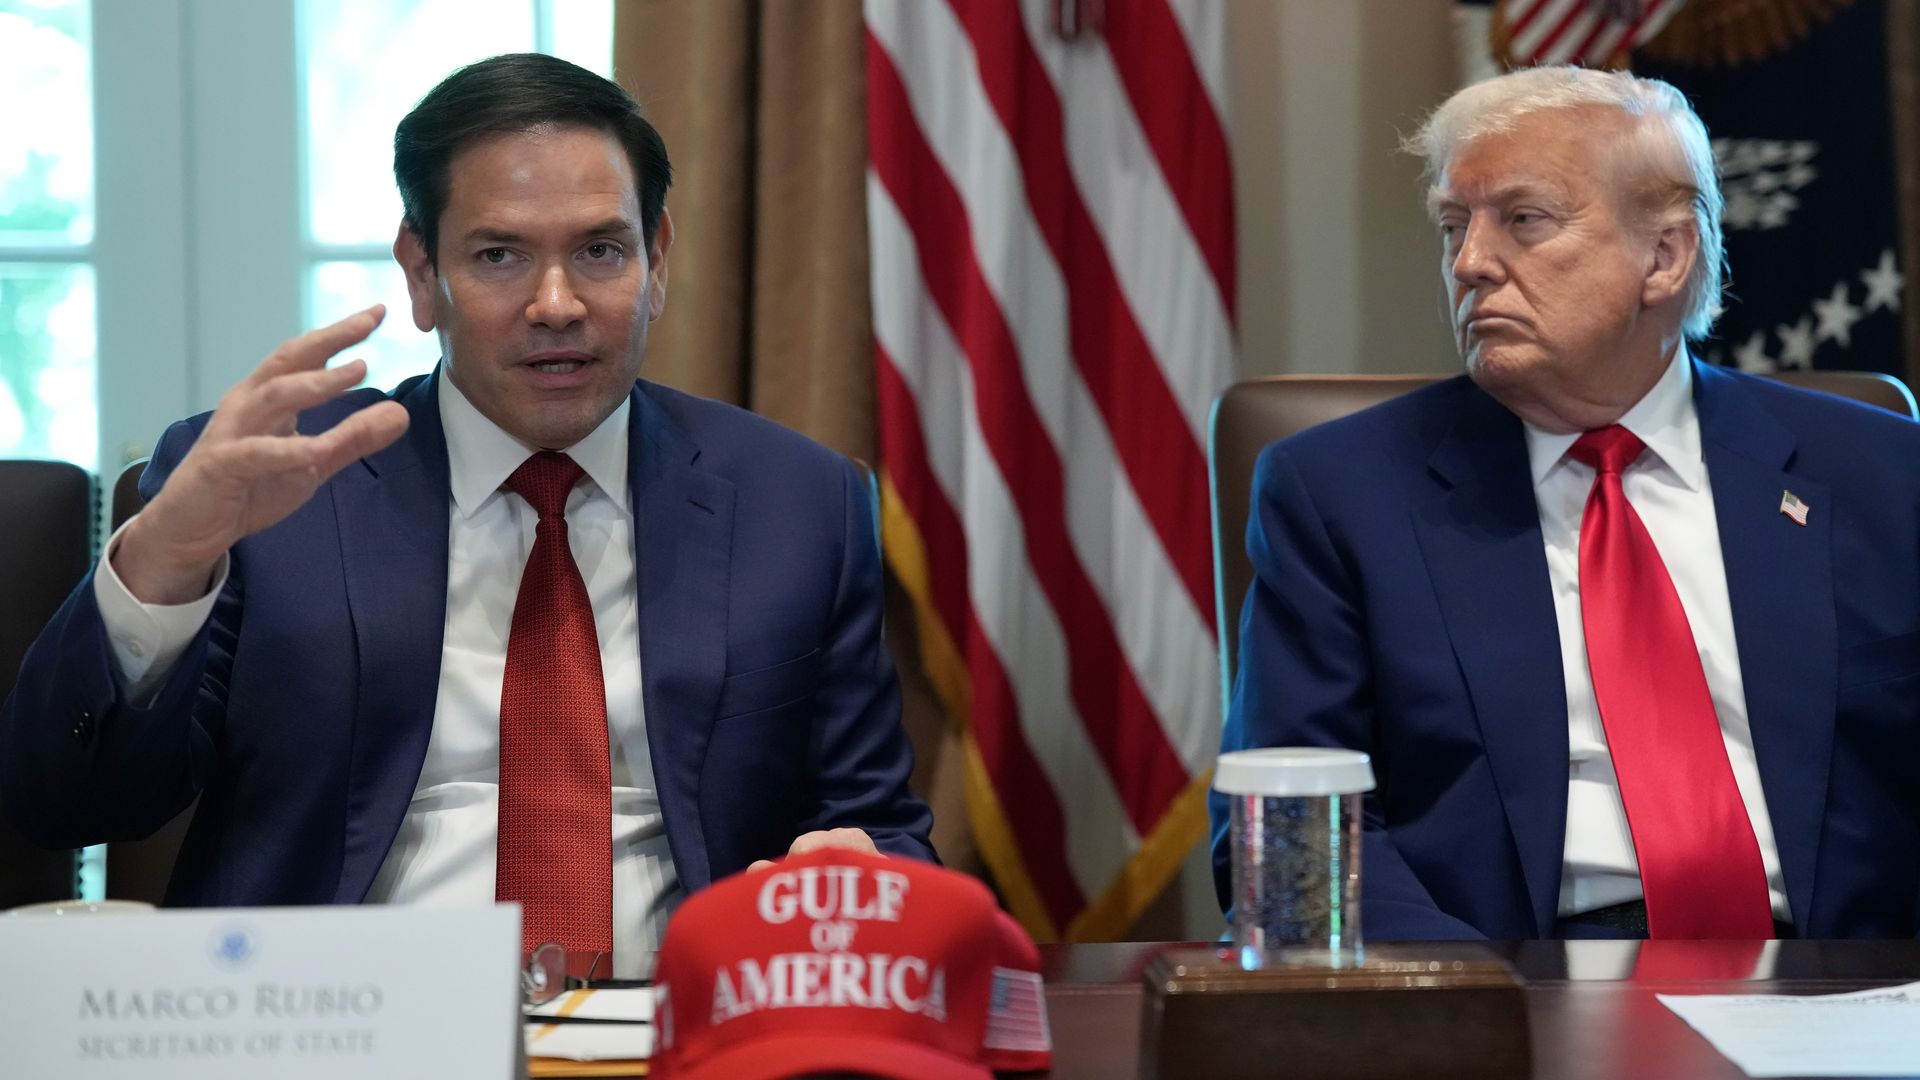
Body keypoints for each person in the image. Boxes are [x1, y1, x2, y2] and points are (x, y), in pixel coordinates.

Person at [0, 53, 933, 974]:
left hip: (680, 1020)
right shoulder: (273, 488)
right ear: (421, 273)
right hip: (328, 1017)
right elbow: (63, 806)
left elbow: (883, 832)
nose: (557, 305)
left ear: (656, 261)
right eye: (499, 256)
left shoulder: (797, 502)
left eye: (600, 251)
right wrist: (166, 566)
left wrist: (857, 875)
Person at [1212, 65, 1920, 941]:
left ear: (1664, 256)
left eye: (1524, 219)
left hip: (1838, 980)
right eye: (1453, 224)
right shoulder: (1339, 497)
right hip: (1510, 981)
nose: (1469, 263)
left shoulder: (1880, 475)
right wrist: (1483, 1002)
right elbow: (1293, 842)